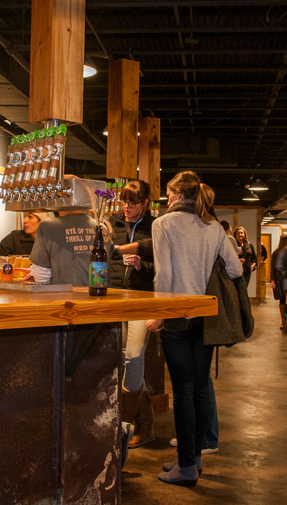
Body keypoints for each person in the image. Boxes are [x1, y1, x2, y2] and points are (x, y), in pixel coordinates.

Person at [147, 171, 241, 487]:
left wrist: (159, 313)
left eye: (168, 193)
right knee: (200, 387)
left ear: (175, 195)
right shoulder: (213, 227)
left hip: (176, 314)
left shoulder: (163, 224)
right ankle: (195, 458)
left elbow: (164, 274)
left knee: (182, 391)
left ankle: (185, 466)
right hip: (207, 315)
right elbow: (235, 268)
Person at [108, 180, 157, 449]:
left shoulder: (155, 228)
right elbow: (104, 259)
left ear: (145, 203)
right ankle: (146, 424)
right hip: (116, 298)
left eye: (133, 202)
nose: (127, 207)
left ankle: (124, 423)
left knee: (134, 356)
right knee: (123, 360)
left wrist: (142, 265)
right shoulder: (112, 225)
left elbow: (163, 266)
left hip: (142, 299)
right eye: (124, 201)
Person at [28, 209, 97, 286]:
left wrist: (35, 273)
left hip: (67, 296)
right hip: (102, 296)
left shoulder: (48, 225)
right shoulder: (101, 227)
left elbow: (41, 278)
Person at [270, 236, 287, 329]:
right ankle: (283, 321)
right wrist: (273, 280)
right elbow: (273, 268)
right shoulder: (276, 253)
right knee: (282, 299)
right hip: (280, 279)